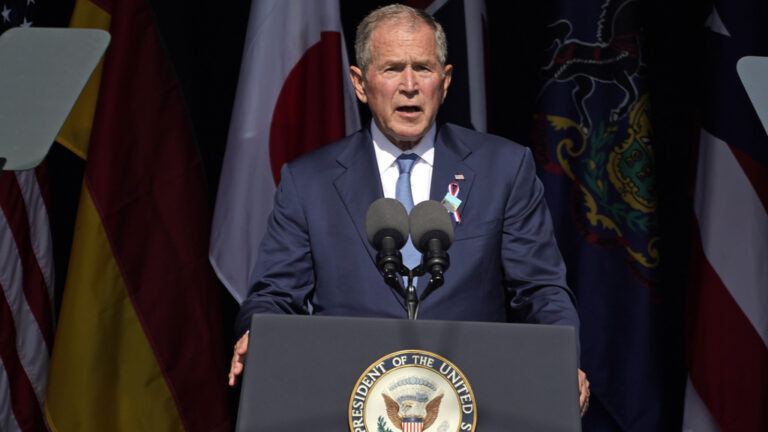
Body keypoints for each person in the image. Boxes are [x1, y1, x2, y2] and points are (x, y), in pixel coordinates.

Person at [228, 4, 590, 416]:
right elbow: (273, 296)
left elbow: (542, 290)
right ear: (360, 84)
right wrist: (257, 333)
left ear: (446, 80)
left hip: (474, 403)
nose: (409, 85)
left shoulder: (504, 169)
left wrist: (561, 358)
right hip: (345, 402)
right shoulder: (308, 182)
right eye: (391, 69)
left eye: (423, 68)